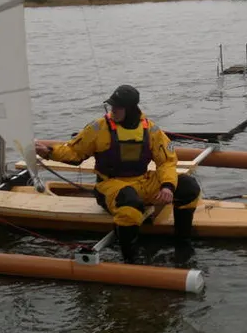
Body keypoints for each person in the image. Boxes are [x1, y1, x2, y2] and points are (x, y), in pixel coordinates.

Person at [34, 84, 201, 263]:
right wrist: (49, 152)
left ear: (130, 109)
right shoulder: (98, 128)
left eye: (118, 107)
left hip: (142, 182)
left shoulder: (150, 129)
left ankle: (183, 244)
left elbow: (167, 161)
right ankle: (130, 257)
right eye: (111, 106)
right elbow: (74, 152)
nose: (113, 110)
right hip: (110, 186)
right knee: (130, 204)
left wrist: (167, 186)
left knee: (189, 187)